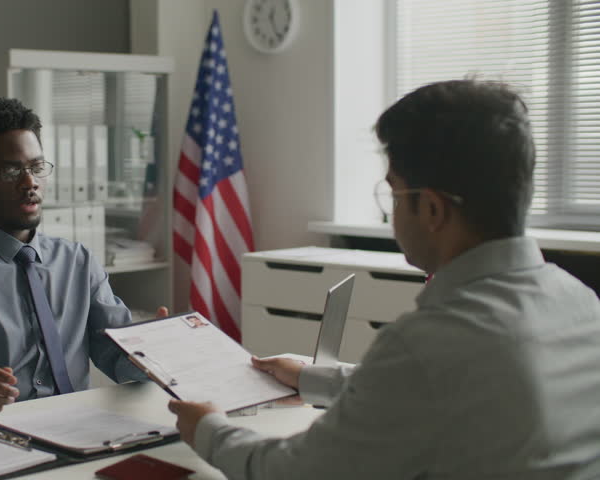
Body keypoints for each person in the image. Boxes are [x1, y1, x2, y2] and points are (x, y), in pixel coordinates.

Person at [169, 79, 600, 479]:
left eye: (393, 194)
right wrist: (310, 377)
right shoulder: (580, 303)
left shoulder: (431, 342)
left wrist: (207, 428)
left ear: (432, 210)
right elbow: (430, 387)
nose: (391, 212)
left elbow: (295, 472)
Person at [0, 98, 160, 419]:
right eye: (11, 170)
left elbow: (115, 353)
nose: (30, 183)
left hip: (81, 429)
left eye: (37, 167)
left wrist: (153, 354)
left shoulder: (78, 261)